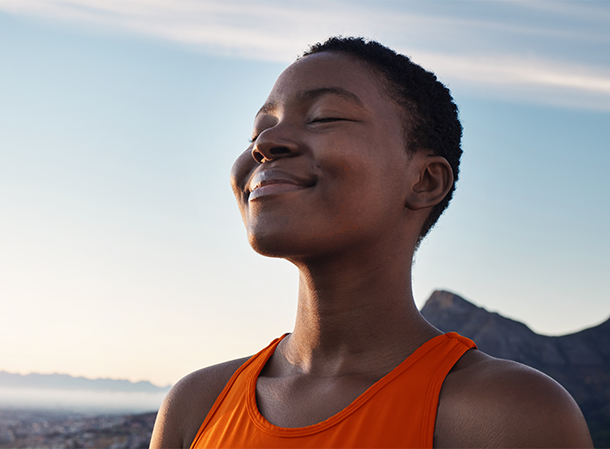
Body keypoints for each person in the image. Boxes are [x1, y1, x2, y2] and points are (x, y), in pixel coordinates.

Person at [150, 37, 593, 448]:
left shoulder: (508, 415)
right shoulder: (196, 405)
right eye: (258, 130)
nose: (265, 144)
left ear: (424, 181)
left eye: (324, 117)